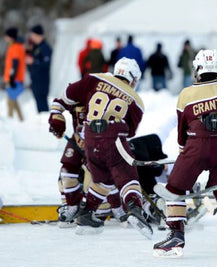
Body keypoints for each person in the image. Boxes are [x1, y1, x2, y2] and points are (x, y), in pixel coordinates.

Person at [152, 49, 217, 258]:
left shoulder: (186, 94)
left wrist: (183, 153)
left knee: (174, 188)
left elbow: (182, 131)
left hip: (195, 146)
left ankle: (175, 235)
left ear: (197, 70)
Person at [60, 57, 152, 237]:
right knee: (127, 175)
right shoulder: (136, 100)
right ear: (133, 78)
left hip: (90, 137)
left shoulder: (94, 78)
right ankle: (135, 209)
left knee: (103, 179)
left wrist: (57, 112)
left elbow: (69, 93)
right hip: (113, 135)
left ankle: (86, 214)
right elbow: (130, 131)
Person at [48, 96, 126, 228]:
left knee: (104, 176)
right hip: (77, 141)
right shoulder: (76, 94)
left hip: (97, 143)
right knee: (66, 172)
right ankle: (72, 207)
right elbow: (57, 103)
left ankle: (117, 208)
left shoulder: (106, 98)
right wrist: (56, 122)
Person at [27, 24, 52, 113]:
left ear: (38, 35)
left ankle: (46, 123)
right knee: (38, 104)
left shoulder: (45, 47)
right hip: (35, 80)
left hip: (42, 80)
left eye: (33, 35)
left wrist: (33, 62)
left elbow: (46, 64)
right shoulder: (35, 47)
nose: (32, 38)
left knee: (43, 105)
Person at [3, 27, 25, 121]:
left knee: (10, 101)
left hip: (14, 78)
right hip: (14, 77)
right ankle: (21, 119)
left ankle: (9, 120)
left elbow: (15, 63)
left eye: (6, 36)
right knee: (13, 100)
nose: (5, 38)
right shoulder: (15, 46)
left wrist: (12, 78)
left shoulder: (16, 47)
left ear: (11, 37)